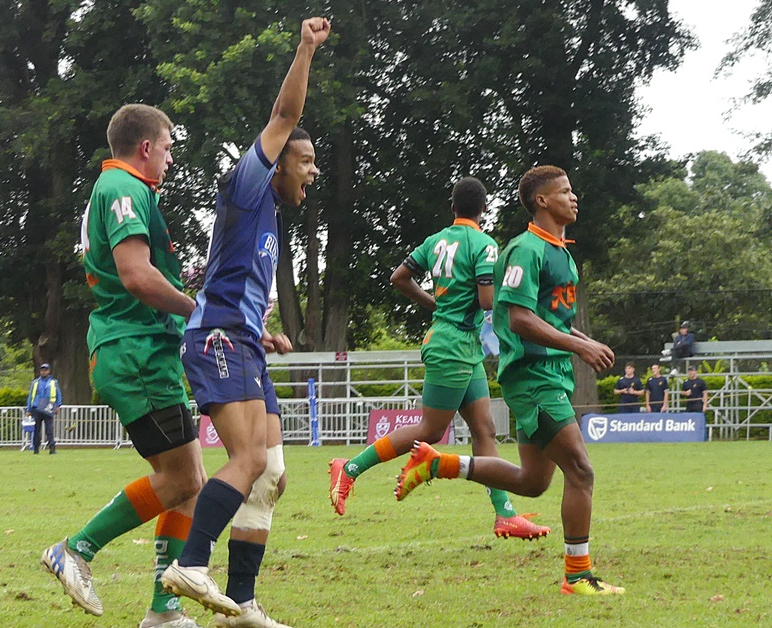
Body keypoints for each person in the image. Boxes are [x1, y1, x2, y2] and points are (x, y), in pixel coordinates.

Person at [160, 17, 330, 627]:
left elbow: (229, 282)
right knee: (248, 460)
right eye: (305, 161)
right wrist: (306, 49)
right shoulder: (247, 184)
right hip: (216, 341)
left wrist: (263, 329)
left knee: (272, 471)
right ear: (276, 162)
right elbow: (284, 114)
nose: (313, 171)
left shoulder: (271, 219)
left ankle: (242, 604)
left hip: (243, 341)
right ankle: (190, 563)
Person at [395, 165, 624, 595]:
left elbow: (546, 316)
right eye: (565, 192)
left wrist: (580, 338)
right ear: (542, 201)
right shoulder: (525, 250)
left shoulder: (562, 252)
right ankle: (578, 575)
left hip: (550, 375)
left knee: (533, 482)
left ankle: (440, 463)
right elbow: (518, 319)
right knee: (581, 471)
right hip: (533, 377)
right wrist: (579, 348)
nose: (574, 198)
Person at [41, 103, 207, 628]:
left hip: (142, 350)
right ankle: (76, 549)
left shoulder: (122, 191)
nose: (171, 156)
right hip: (134, 351)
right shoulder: (124, 189)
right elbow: (136, 276)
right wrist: (199, 308)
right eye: (169, 145)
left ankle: (164, 608)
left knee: (189, 479)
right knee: (180, 478)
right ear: (145, 148)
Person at [327, 177, 549, 541]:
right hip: (455, 345)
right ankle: (349, 467)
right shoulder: (484, 244)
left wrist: (435, 304)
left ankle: (505, 513)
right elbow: (488, 301)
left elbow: (399, 277)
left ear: (453, 207)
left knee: (484, 428)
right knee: (430, 430)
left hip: (459, 342)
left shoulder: (436, 241)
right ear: (485, 208)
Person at [26, 363, 61, 454]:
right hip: (37, 408)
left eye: (45, 370)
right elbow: (31, 396)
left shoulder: (54, 382)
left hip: (48, 408)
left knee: (49, 429)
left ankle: (52, 448)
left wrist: (58, 406)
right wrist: (29, 409)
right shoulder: (35, 382)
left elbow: (58, 394)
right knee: (36, 429)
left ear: (49, 371)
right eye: (42, 370)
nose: (43, 372)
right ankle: (36, 448)